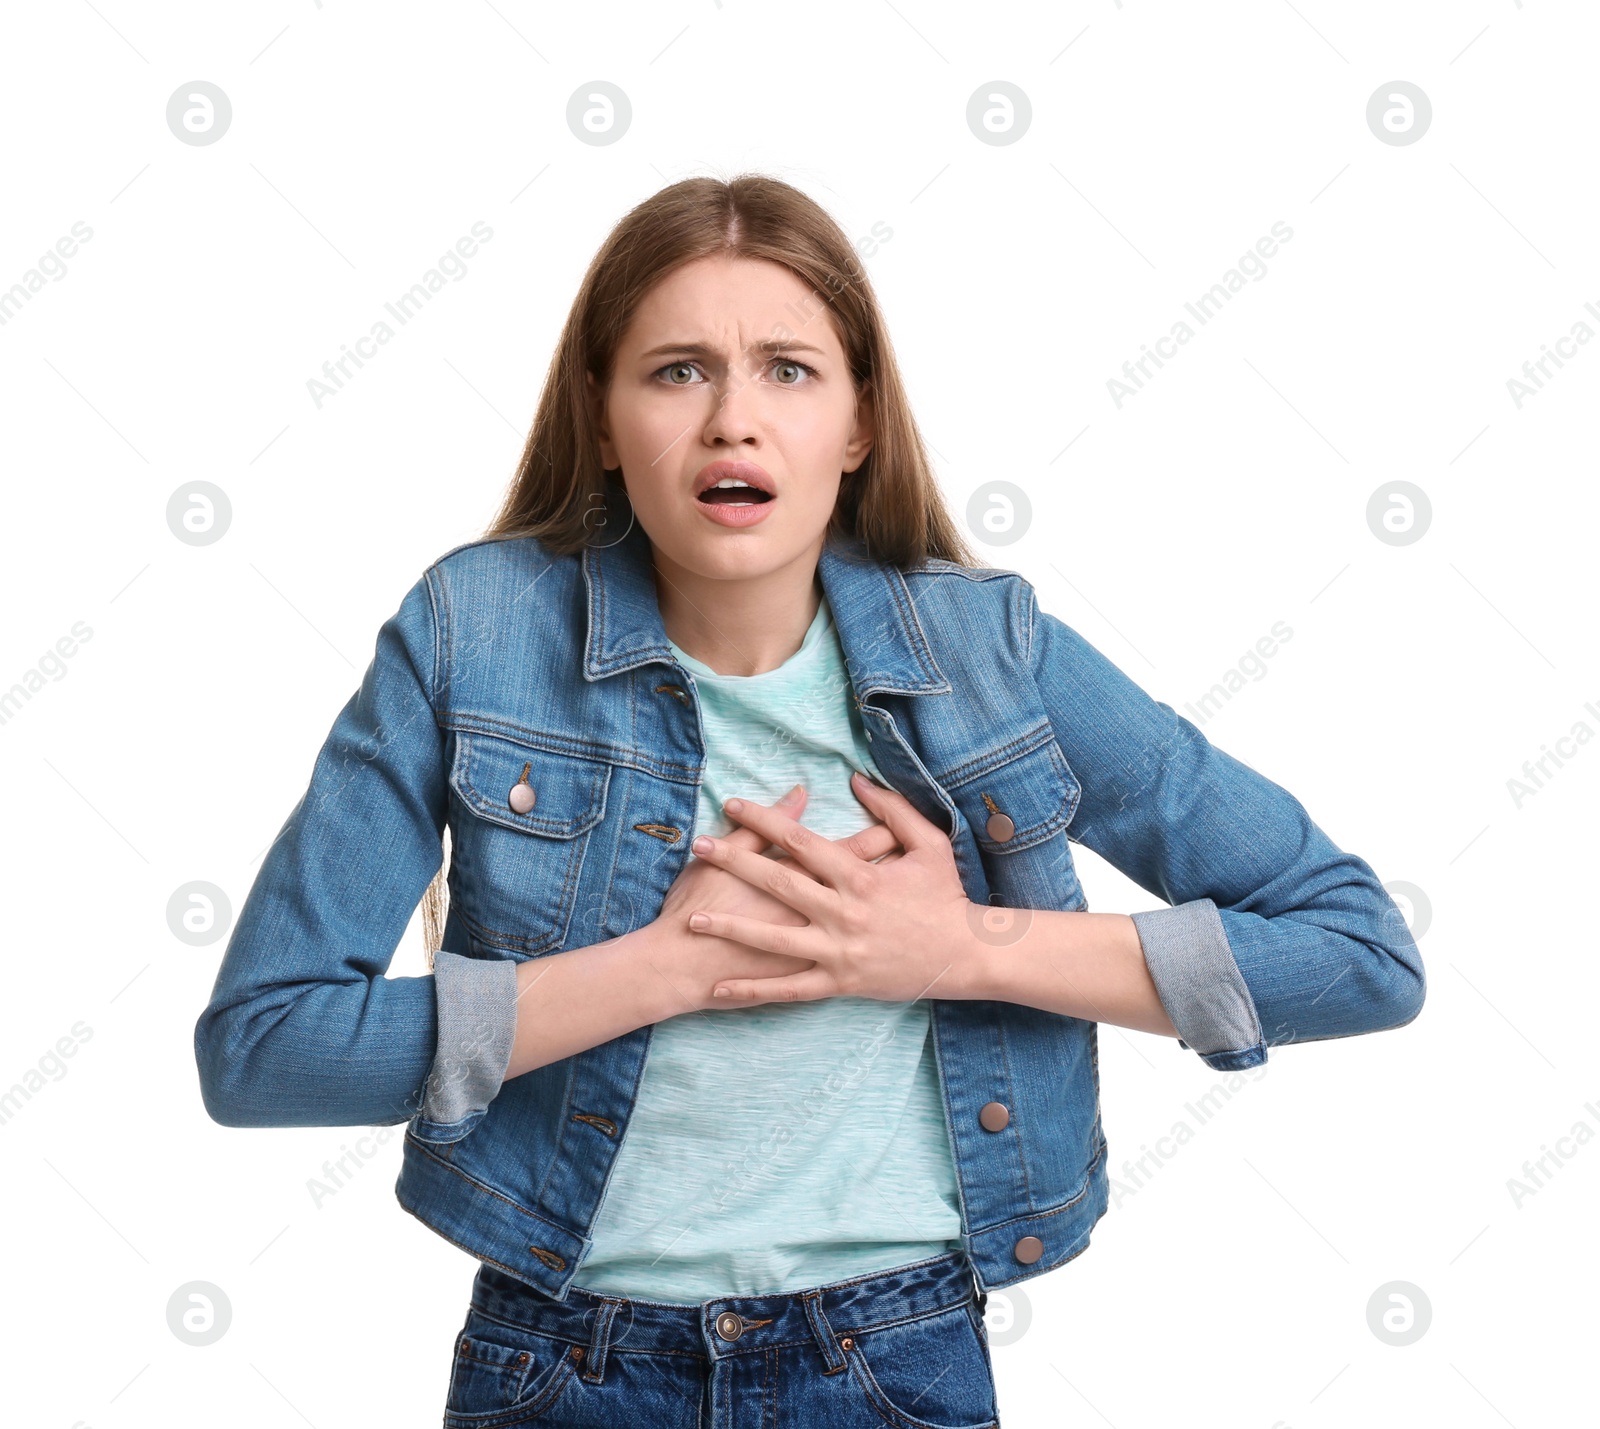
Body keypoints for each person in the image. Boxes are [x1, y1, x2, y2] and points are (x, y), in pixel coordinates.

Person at [194, 173, 1426, 1427]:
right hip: (561, 1366)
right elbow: (262, 1050)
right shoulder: (472, 633)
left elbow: (1359, 952)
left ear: (858, 424)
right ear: (603, 418)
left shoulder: (991, 651)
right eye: (677, 371)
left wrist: (959, 946)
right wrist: (666, 966)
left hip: (890, 1361)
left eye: (788, 369)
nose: (734, 420)